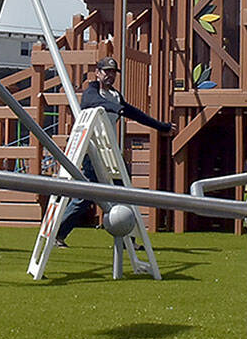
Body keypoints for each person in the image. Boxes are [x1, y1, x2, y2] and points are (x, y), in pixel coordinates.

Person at [54, 57, 173, 247]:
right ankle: (58, 233)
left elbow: (135, 113)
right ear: (98, 72)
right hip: (91, 152)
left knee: (125, 193)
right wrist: (117, 109)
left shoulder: (115, 96)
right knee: (86, 196)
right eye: (106, 71)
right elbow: (94, 102)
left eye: (113, 72)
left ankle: (129, 239)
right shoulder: (91, 91)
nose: (110, 75)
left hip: (110, 152)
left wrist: (161, 126)